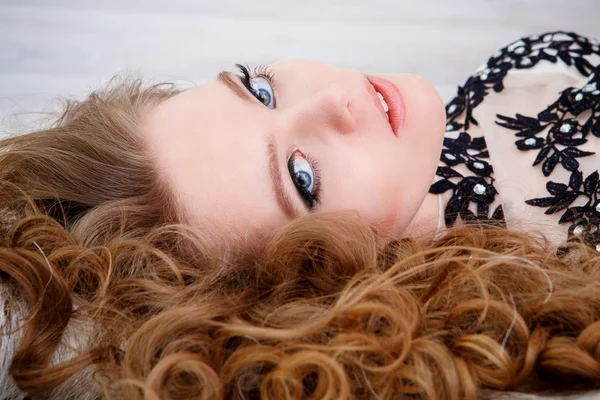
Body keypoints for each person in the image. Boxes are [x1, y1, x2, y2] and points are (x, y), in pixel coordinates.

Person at [0, 30, 599, 399]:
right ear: (322, 282)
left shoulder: (468, 122)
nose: (331, 99)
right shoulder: (561, 246)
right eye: (302, 177)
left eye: (259, 91)